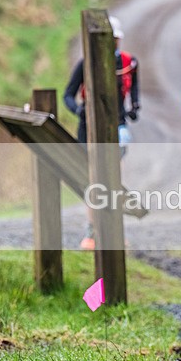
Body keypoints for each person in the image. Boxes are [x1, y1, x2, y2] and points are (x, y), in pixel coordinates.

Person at [64, 16, 140, 250]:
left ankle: (114, 232)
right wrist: (78, 110)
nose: (112, 43)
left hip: (117, 127)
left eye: (114, 39)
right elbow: (68, 95)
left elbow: (134, 92)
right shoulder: (86, 64)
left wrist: (134, 107)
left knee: (113, 179)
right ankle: (92, 230)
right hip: (88, 129)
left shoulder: (128, 62)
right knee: (93, 180)